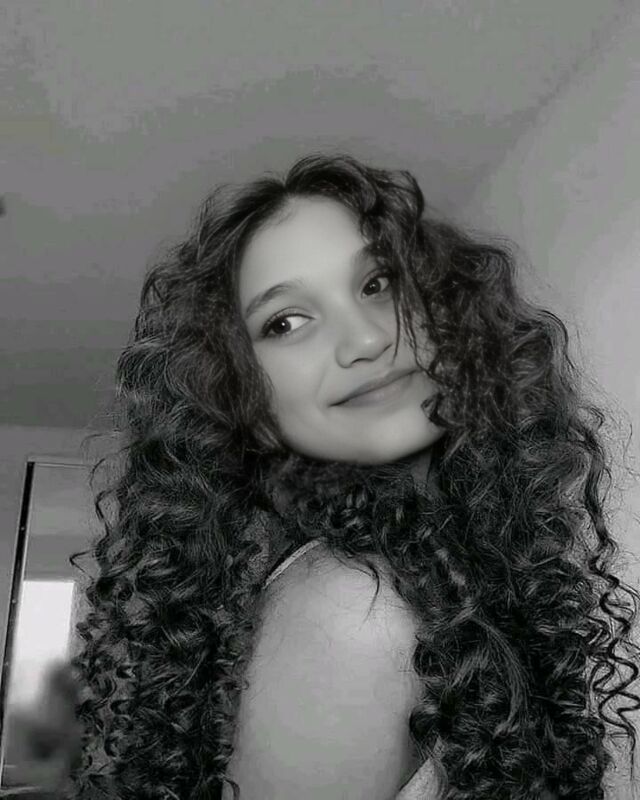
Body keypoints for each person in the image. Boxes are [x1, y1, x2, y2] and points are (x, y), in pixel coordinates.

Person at [12, 152, 639, 799]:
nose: (363, 340)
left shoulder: (449, 570)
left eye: (378, 283)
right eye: (285, 322)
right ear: (247, 402)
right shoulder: (352, 609)